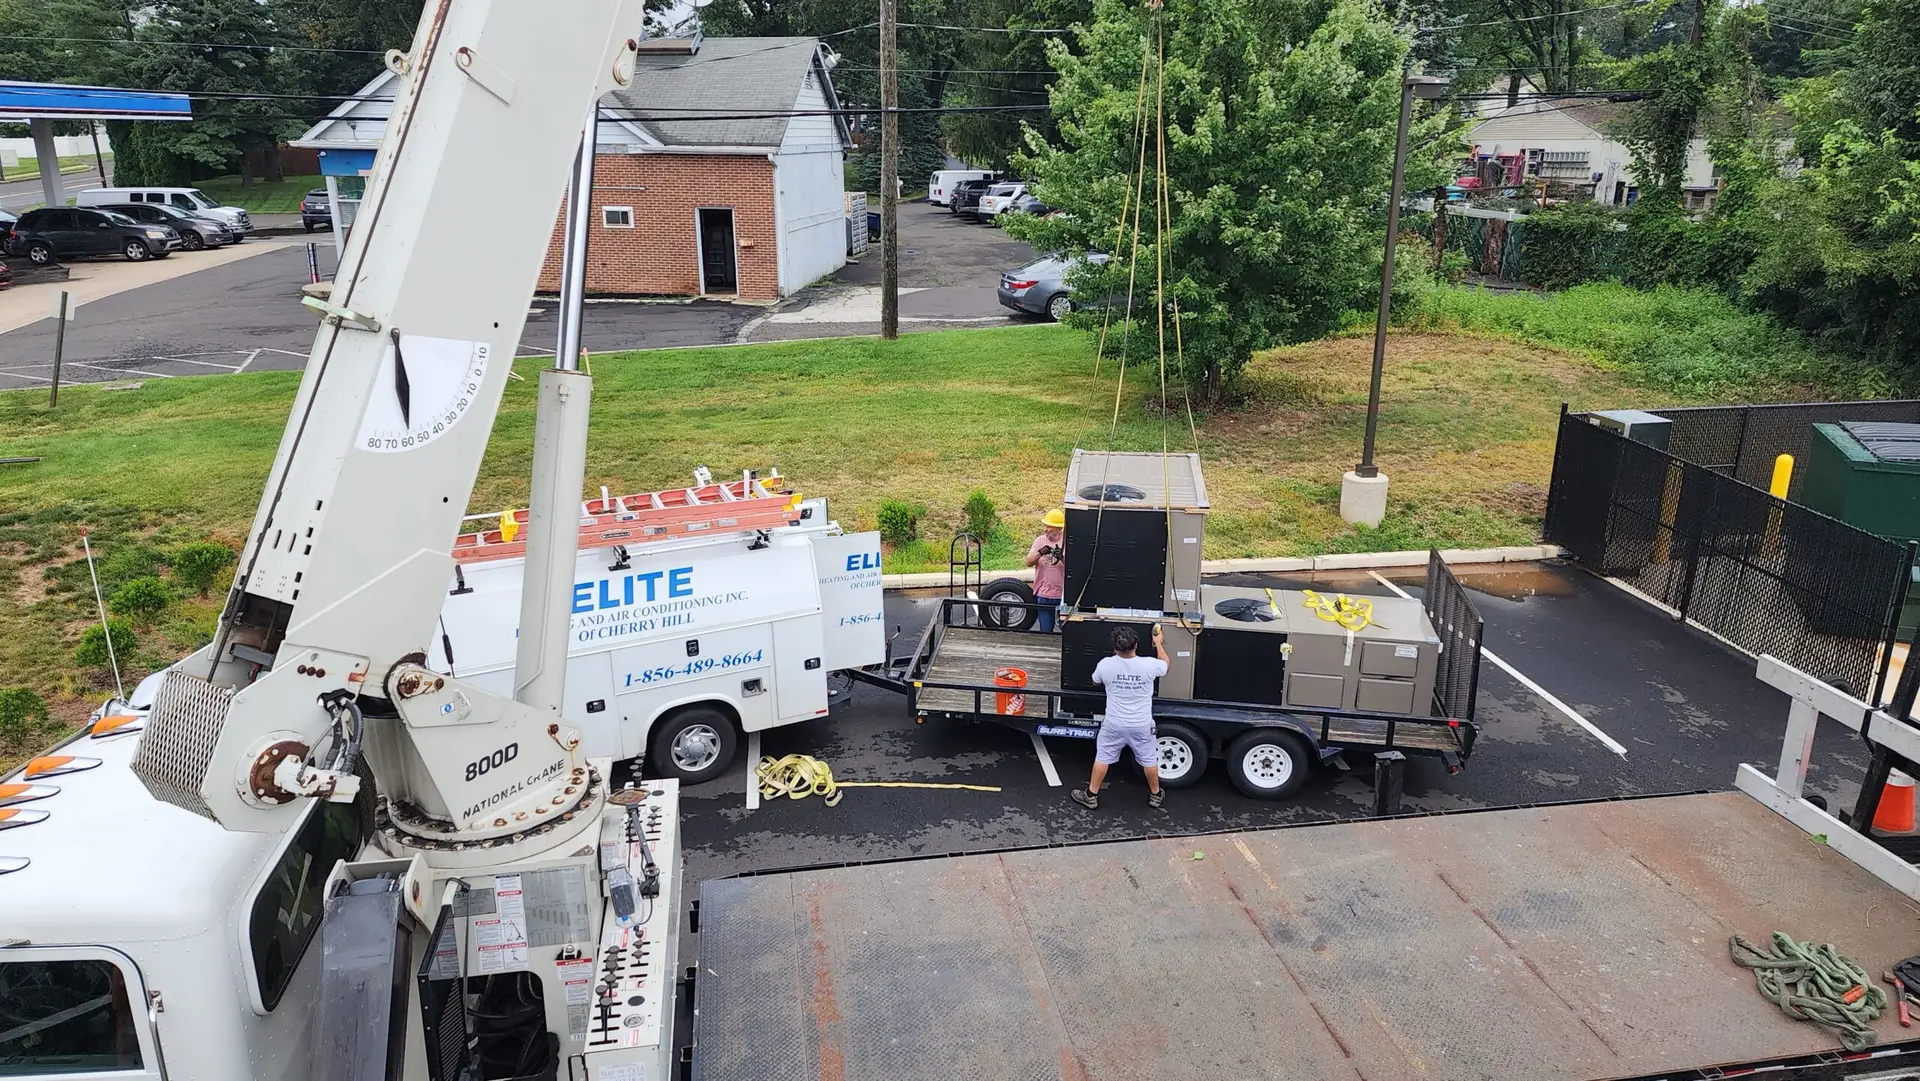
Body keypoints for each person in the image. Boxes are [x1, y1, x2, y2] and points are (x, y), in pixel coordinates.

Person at [1071, 624, 1168, 810]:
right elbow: (1165, 664)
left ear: (1114, 648)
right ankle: (1155, 795)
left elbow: (1095, 680)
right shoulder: (1150, 665)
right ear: (1136, 645)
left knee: (1103, 757)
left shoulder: (1106, 665)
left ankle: (1091, 795)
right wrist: (1158, 644)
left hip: (1114, 723)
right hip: (1142, 724)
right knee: (1149, 760)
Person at [1025, 509, 1066, 632]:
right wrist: (1039, 553)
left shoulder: (1066, 542)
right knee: (1045, 630)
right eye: (1045, 526)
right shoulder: (1040, 541)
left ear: (1059, 529)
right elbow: (1028, 562)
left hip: (1063, 595)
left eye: (1049, 527)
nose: (1045, 529)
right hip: (1043, 593)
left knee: (1066, 631)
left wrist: (1062, 558)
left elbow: (1075, 568)